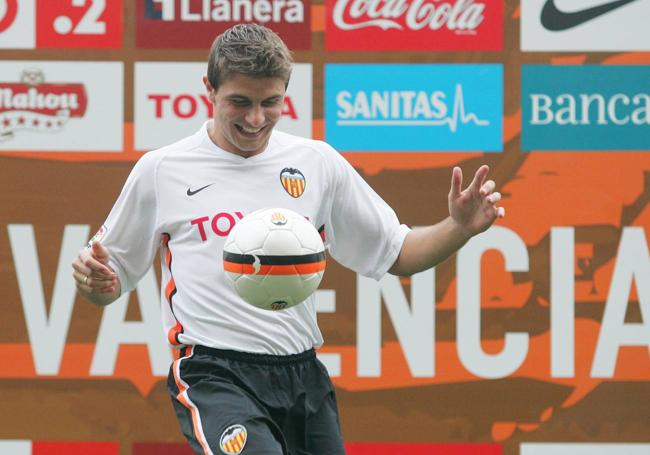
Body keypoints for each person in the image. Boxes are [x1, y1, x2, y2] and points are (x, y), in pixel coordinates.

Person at [71, 23, 504, 455]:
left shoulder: (316, 163)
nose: (256, 119)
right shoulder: (162, 170)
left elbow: (399, 253)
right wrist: (98, 285)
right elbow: (109, 277)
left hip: (302, 375)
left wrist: (460, 228)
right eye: (239, 102)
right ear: (209, 89)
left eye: (270, 103)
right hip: (213, 374)